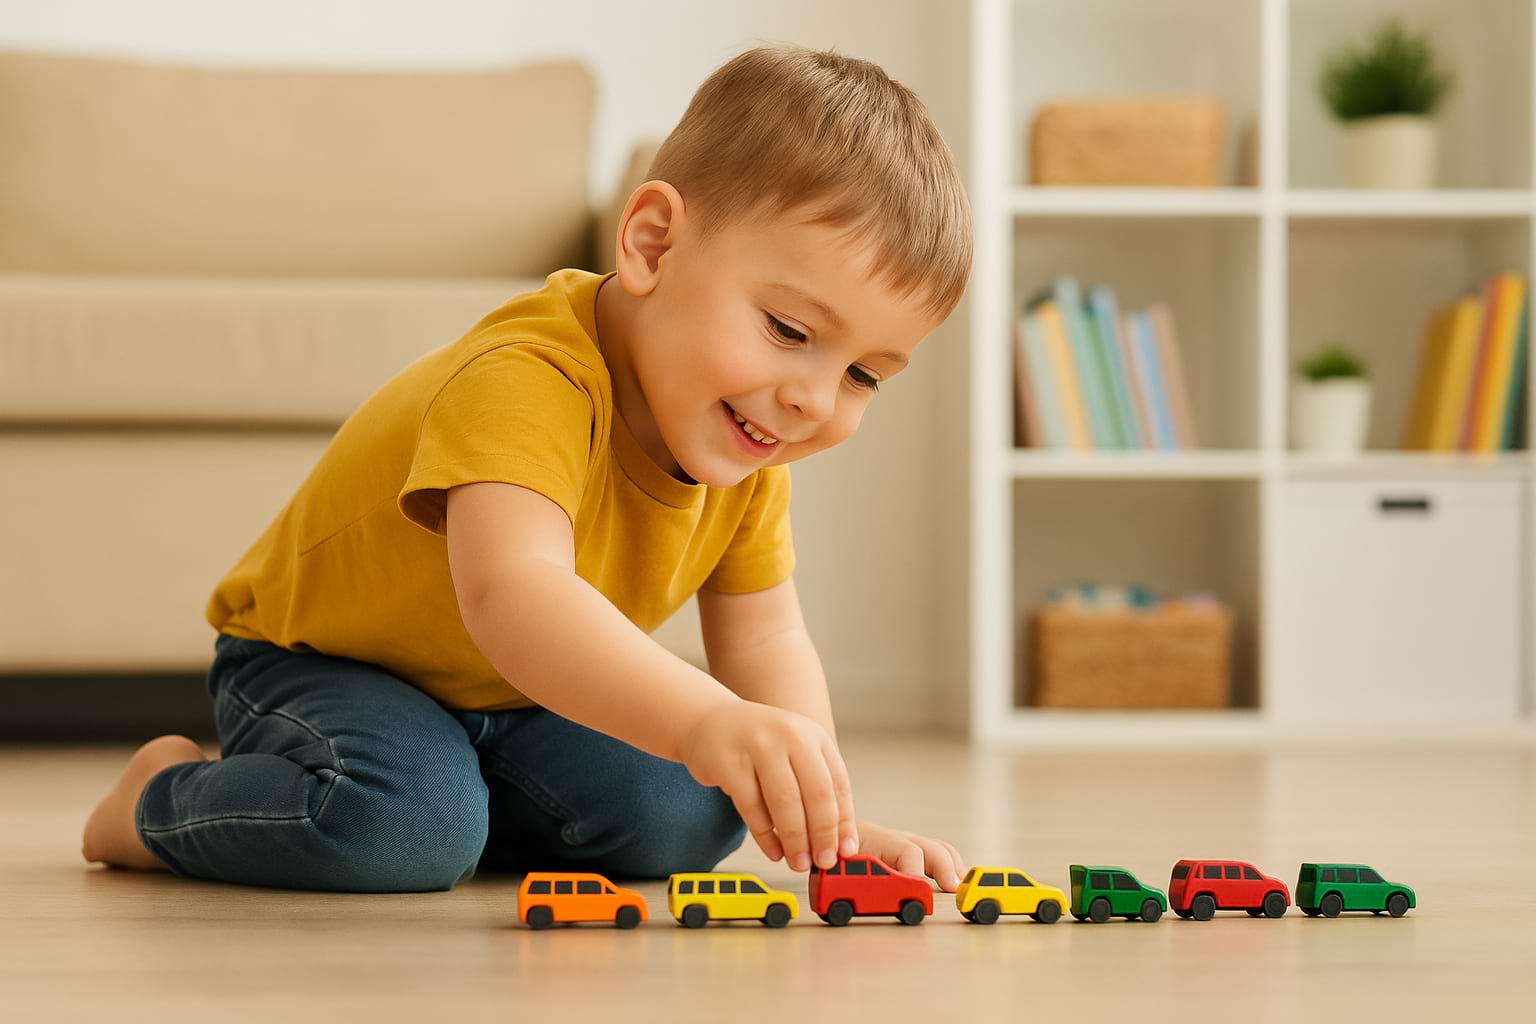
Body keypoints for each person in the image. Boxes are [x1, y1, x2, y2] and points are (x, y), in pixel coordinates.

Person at [82, 43, 973, 894]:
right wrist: (704, 719)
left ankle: (463, 810)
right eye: (789, 332)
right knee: (404, 823)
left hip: (514, 698)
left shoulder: (748, 446)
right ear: (654, 244)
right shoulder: (526, 380)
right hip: (324, 665)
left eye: (862, 376)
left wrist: (830, 831)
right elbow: (517, 599)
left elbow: (767, 642)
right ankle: (158, 804)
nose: (814, 400)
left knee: (694, 815)